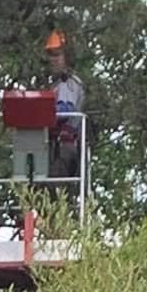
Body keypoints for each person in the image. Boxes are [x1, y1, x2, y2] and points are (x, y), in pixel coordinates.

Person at [43, 29, 84, 180]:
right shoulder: (56, 84)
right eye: (51, 55)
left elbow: (65, 111)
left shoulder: (69, 82)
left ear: (67, 57)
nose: (53, 59)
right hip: (54, 147)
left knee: (53, 188)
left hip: (64, 148)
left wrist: (41, 113)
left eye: (57, 55)